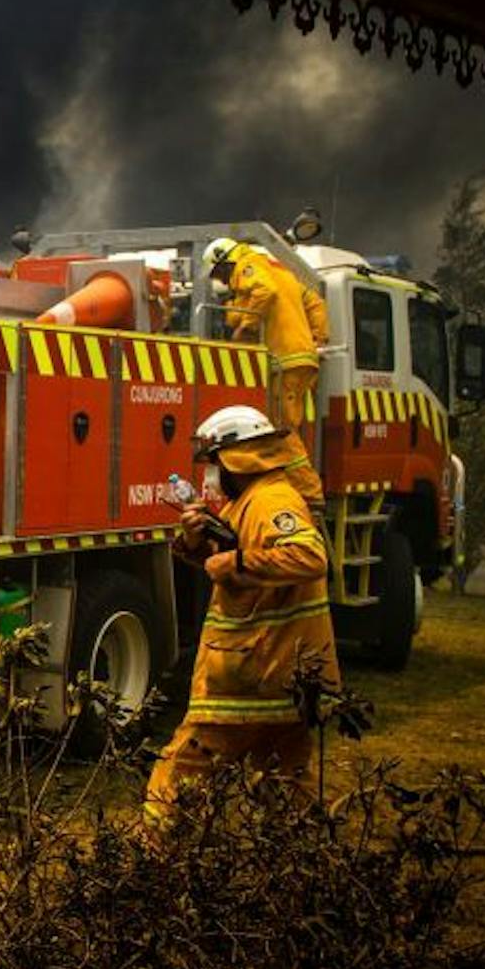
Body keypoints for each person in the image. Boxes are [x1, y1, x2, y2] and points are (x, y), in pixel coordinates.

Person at [144, 405, 341, 830]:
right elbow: (238, 555)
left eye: (214, 464)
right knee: (288, 790)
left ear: (237, 459)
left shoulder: (272, 499)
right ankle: (305, 869)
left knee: (176, 781)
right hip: (283, 680)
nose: (211, 476)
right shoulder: (249, 501)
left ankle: (152, 870)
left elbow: (307, 557)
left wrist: (229, 564)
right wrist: (198, 543)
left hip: (251, 679)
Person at [204, 236, 327, 511]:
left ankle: (309, 492)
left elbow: (264, 291)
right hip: (299, 358)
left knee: (282, 429)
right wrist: (318, 338)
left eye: (220, 275)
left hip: (285, 359)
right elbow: (315, 302)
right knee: (283, 425)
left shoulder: (249, 266)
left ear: (226, 262)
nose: (224, 283)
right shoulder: (280, 270)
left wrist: (246, 325)